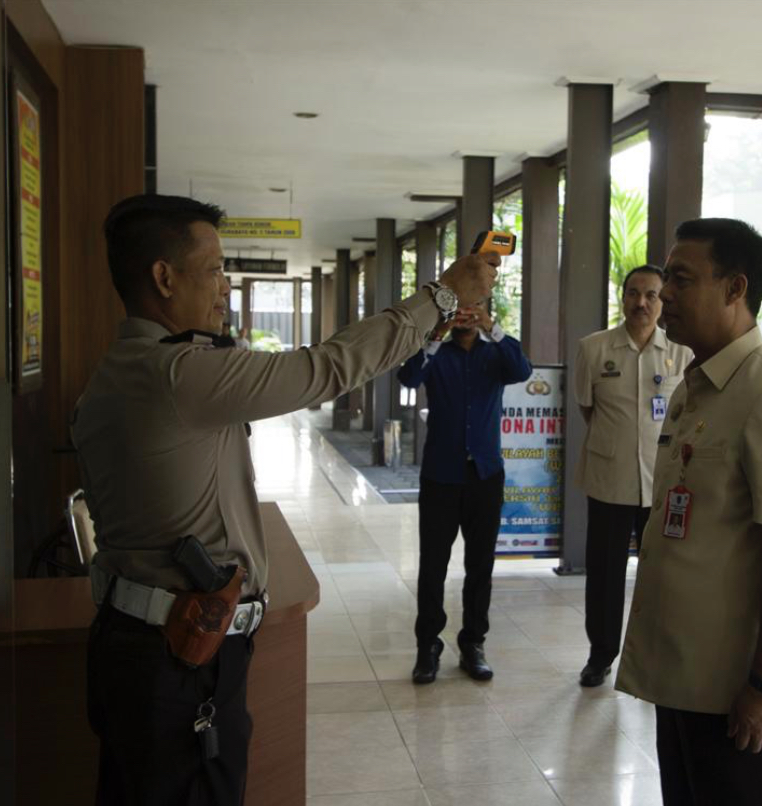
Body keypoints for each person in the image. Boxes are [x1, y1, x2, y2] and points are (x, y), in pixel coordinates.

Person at [72, 193, 499, 805]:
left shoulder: (123, 369)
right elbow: (327, 367)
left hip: (146, 648)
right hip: (176, 662)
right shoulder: (177, 375)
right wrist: (442, 295)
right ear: (164, 278)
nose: (225, 287)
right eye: (215, 269)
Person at [616, 218, 762, 806]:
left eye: (682, 279)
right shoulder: (697, 385)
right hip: (687, 673)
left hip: (738, 688)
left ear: (736, 289)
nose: (665, 296)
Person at [397, 299, 532, 684]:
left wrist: (494, 327)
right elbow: (407, 378)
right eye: (460, 309)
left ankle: (473, 642)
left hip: (486, 474)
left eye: (475, 309)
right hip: (441, 474)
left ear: (485, 312)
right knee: (433, 565)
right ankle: (428, 645)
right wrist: (436, 334)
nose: (466, 316)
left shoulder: (496, 354)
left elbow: (522, 370)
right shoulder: (437, 351)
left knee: (480, 565)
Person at [572, 264, 693, 688]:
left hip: (664, 484)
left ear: (663, 301)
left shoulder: (682, 352)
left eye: (652, 295)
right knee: (604, 573)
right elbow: (588, 408)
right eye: (633, 293)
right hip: (609, 477)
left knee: (663, 574)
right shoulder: (593, 348)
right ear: (622, 297)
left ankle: (659, 654)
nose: (641, 303)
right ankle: (600, 654)